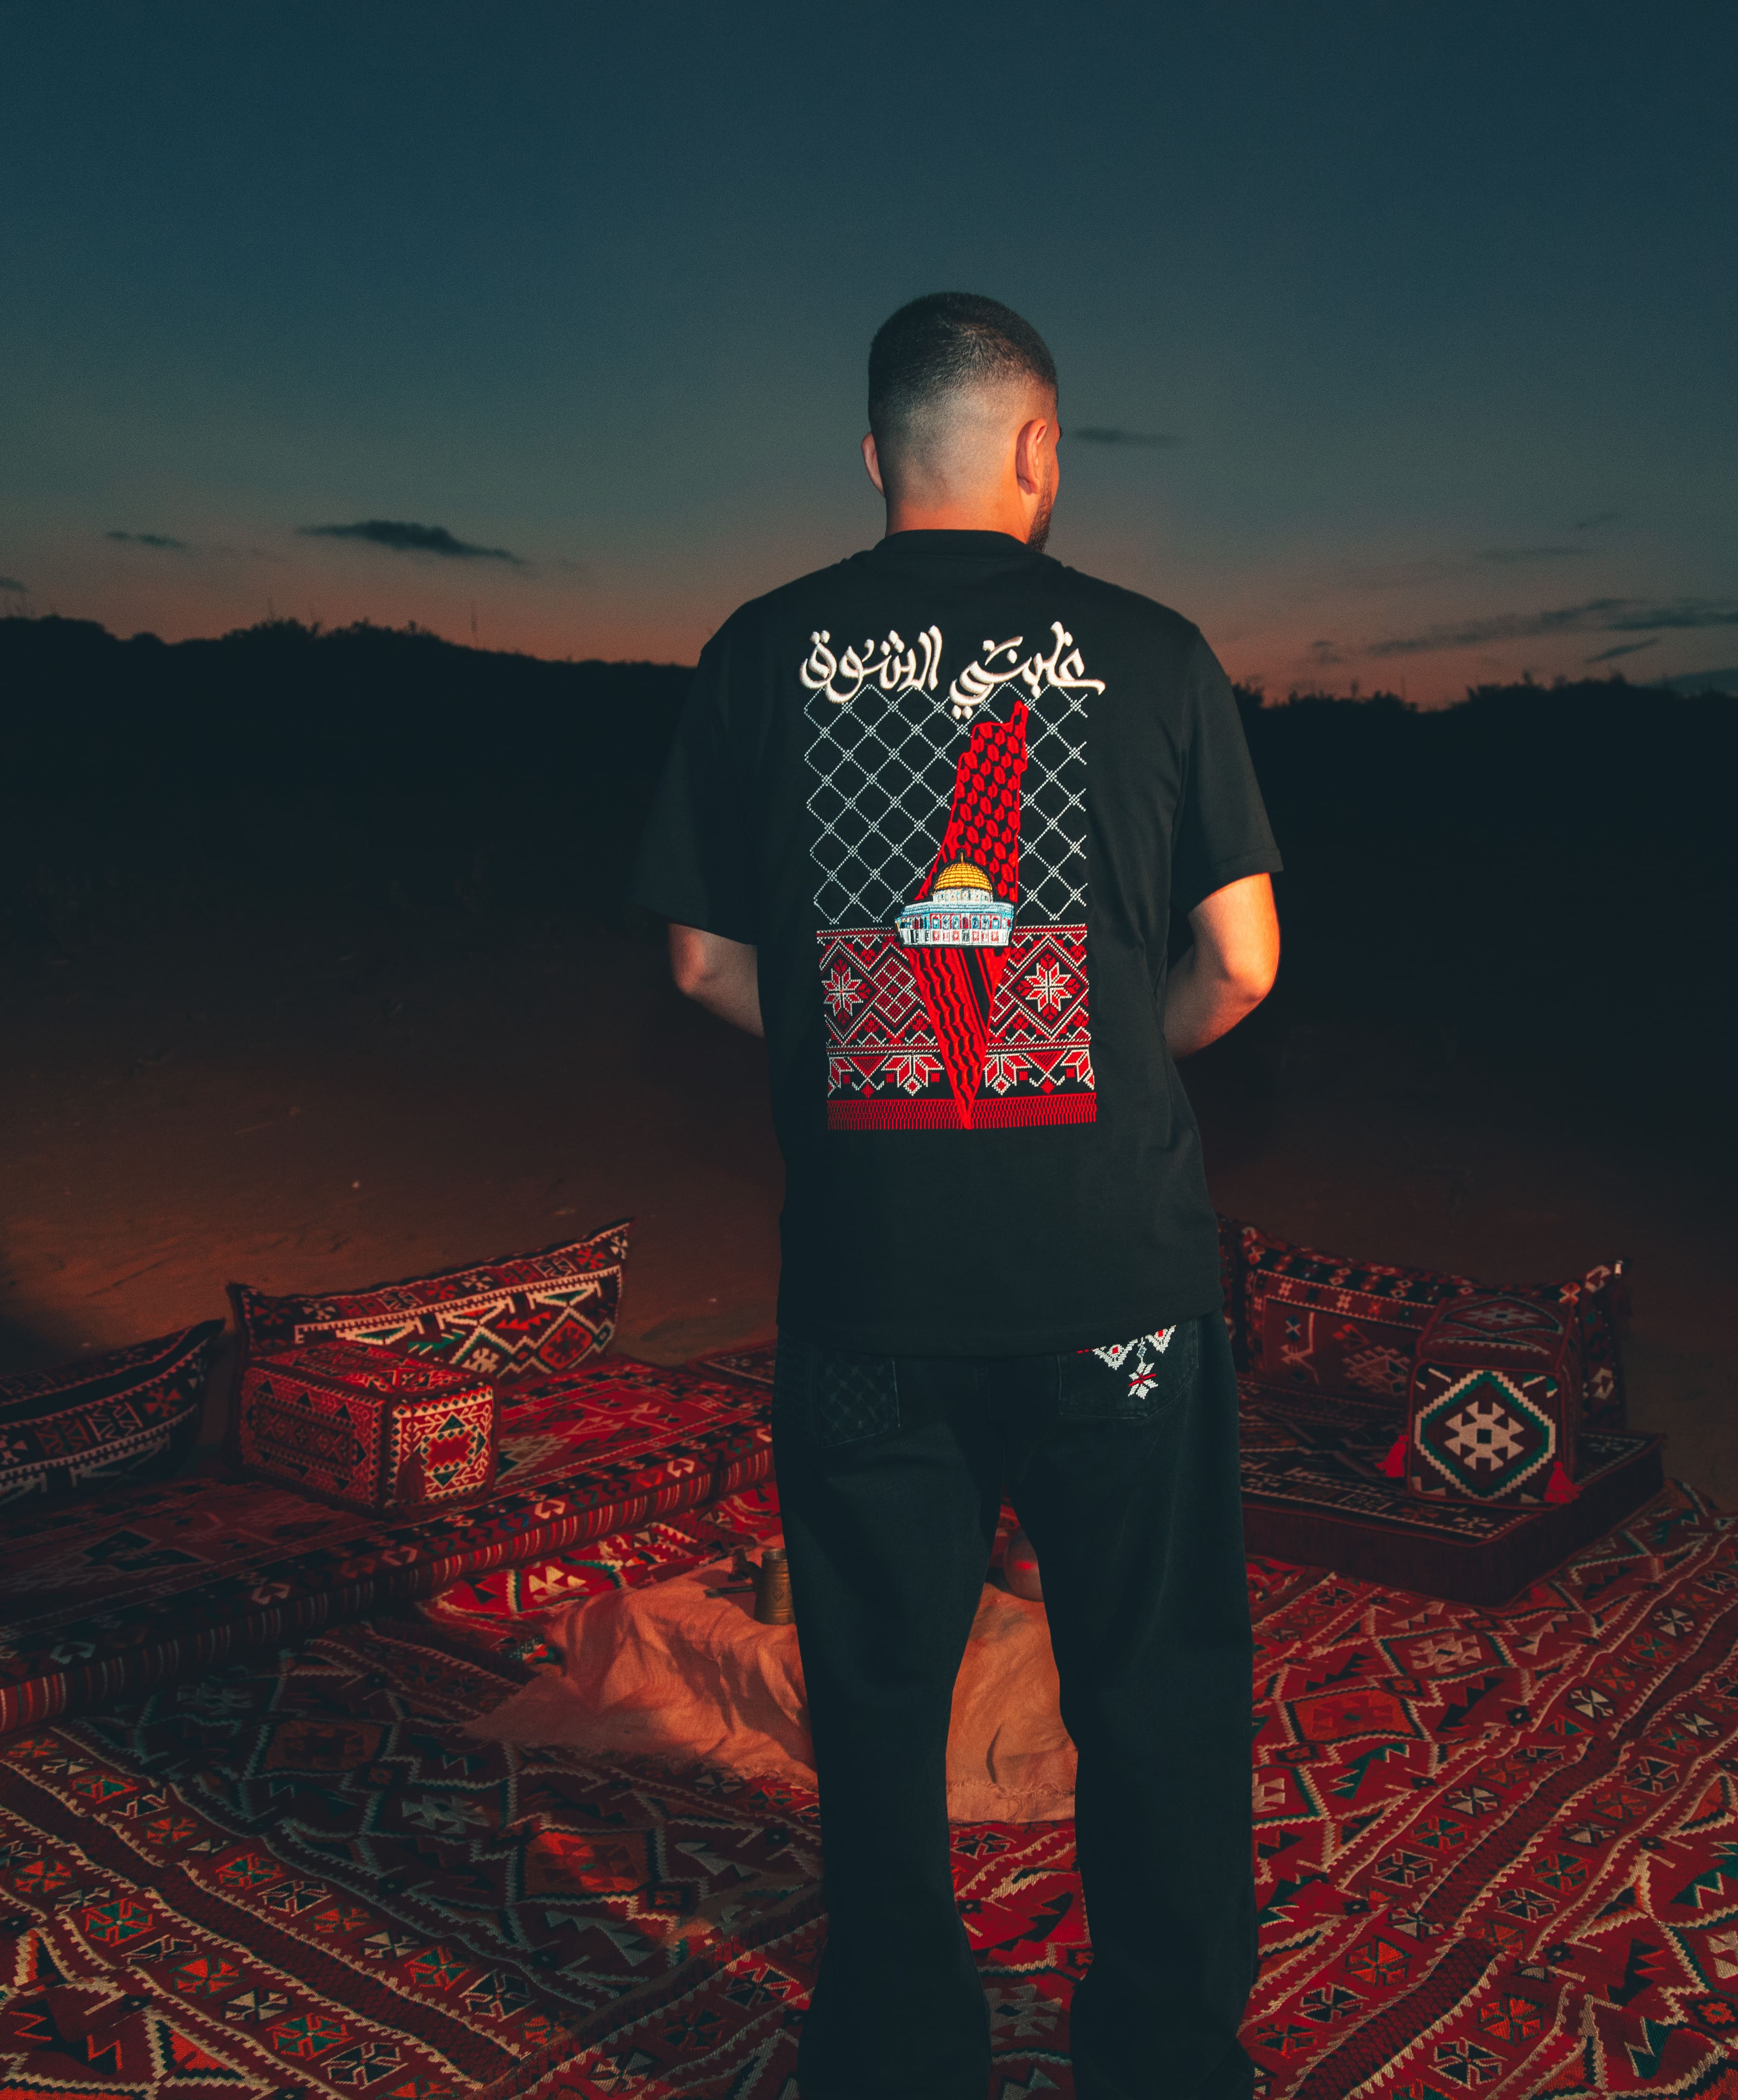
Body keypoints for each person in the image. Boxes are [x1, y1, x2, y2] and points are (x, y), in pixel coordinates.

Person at [628, 291, 1281, 2100]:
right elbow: (1243, 962)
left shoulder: (762, 651)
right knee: (1153, 1685)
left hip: (870, 1289)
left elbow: (695, 963)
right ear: (1041, 454)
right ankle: (1158, 2064)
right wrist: (1109, 1052)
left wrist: (875, 1034)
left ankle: (901, 2057)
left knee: (877, 1687)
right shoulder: (1155, 653)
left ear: (870, 459)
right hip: (1116, 1287)